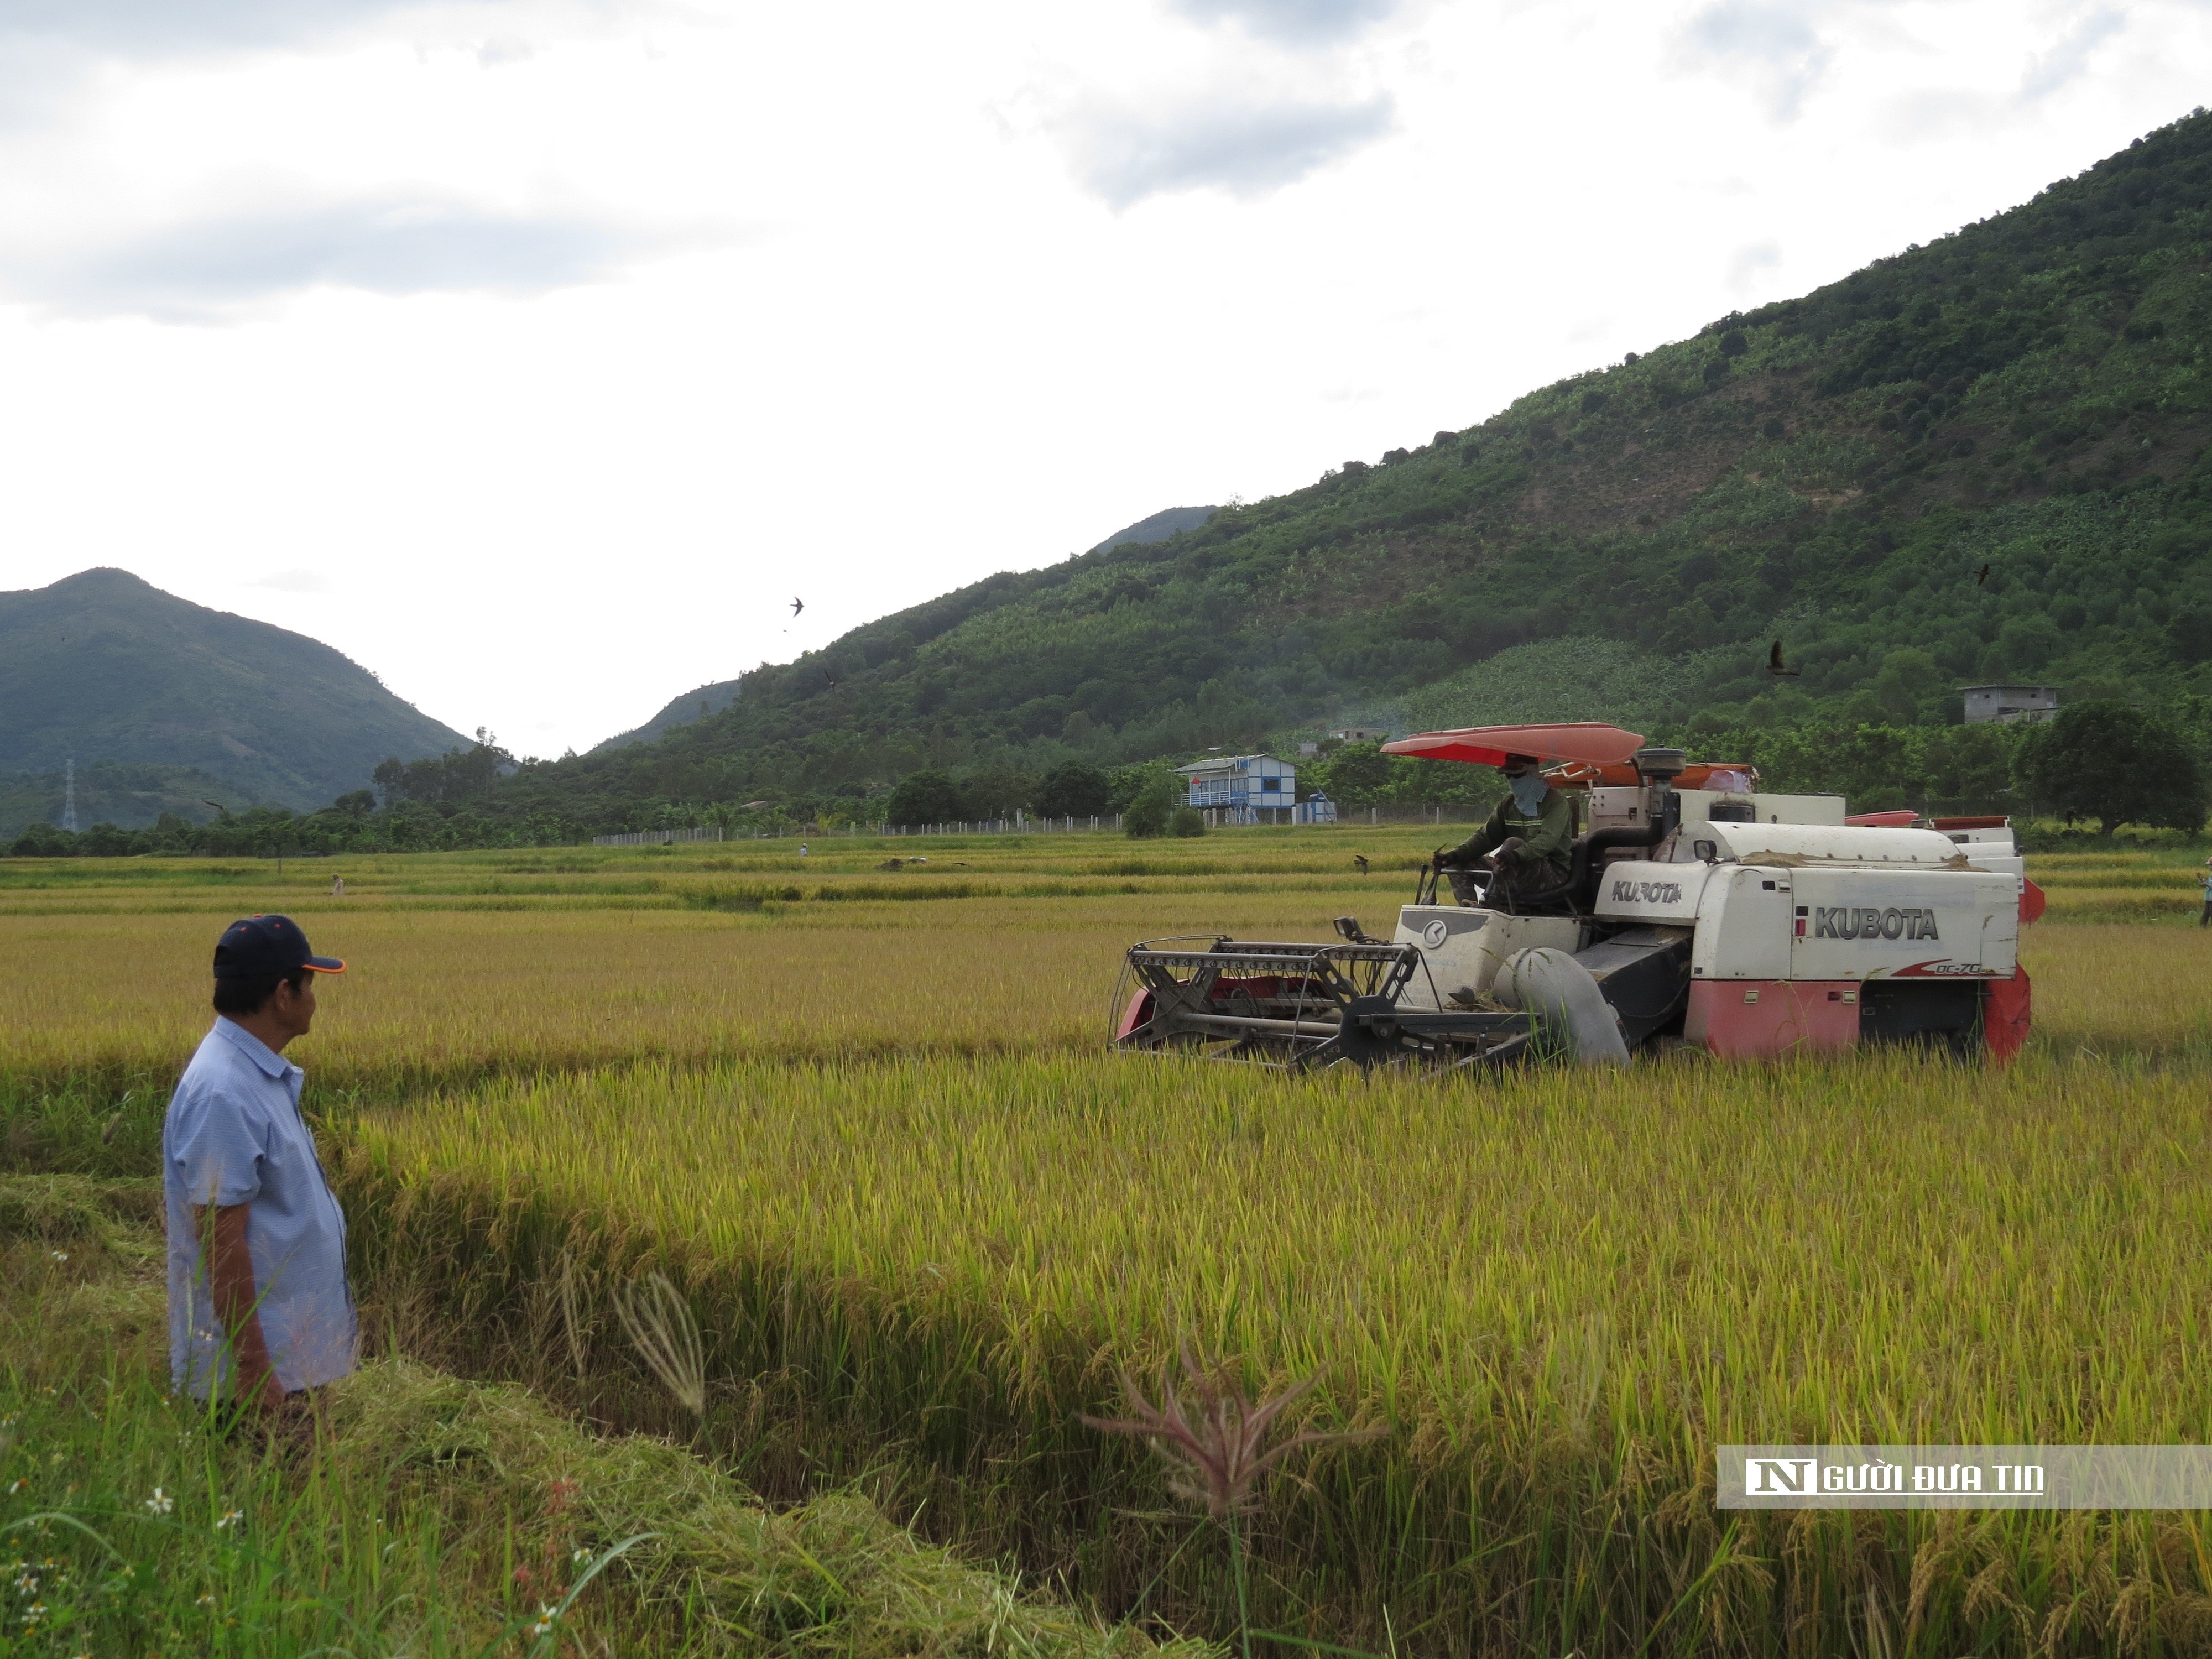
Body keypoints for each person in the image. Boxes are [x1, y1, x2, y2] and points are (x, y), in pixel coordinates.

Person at [163, 914, 354, 1417]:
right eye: (310, 983)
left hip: (289, 1361)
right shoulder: (224, 1092)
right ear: (283, 994)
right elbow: (219, 1238)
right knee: (273, 1490)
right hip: (260, 1379)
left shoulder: (253, 1074)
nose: (315, 998)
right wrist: (253, 1369)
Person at [1437, 753, 1573, 908]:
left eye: (1518, 776)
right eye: (1509, 776)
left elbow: (1548, 841)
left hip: (1550, 875)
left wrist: (1515, 855)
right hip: (1510, 872)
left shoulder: (1556, 803)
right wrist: (1454, 855)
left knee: (1513, 843)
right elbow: (1485, 837)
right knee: (1458, 861)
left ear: (1534, 774)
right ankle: (1469, 907)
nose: (1513, 781)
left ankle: (1488, 907)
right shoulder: (1507, 805)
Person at [2200, 857, 2211, 927]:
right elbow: (2207, 883)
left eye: (2211, 865)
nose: (2210, 867)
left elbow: (2209, 884)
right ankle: (2203, 927)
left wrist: (2207, 885)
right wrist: (2201, 879)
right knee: (2206, 914)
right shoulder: (2211, 875)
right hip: (2209, 898)